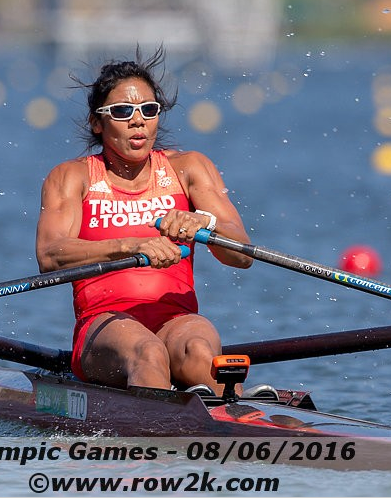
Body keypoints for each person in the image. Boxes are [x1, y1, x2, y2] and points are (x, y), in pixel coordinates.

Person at [35, 47, 252, 394]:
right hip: (105, 325)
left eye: (149, 110)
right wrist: (129, 246)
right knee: (148, 352)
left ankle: (241, 425)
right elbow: (50, 255)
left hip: (177, 320)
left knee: (199, 351)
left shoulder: (190, 167)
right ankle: (158, 441)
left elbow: (242, 255)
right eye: (122, 111)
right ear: (96, 122)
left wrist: (206, 226)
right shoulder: (72, 177)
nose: (138, 120)